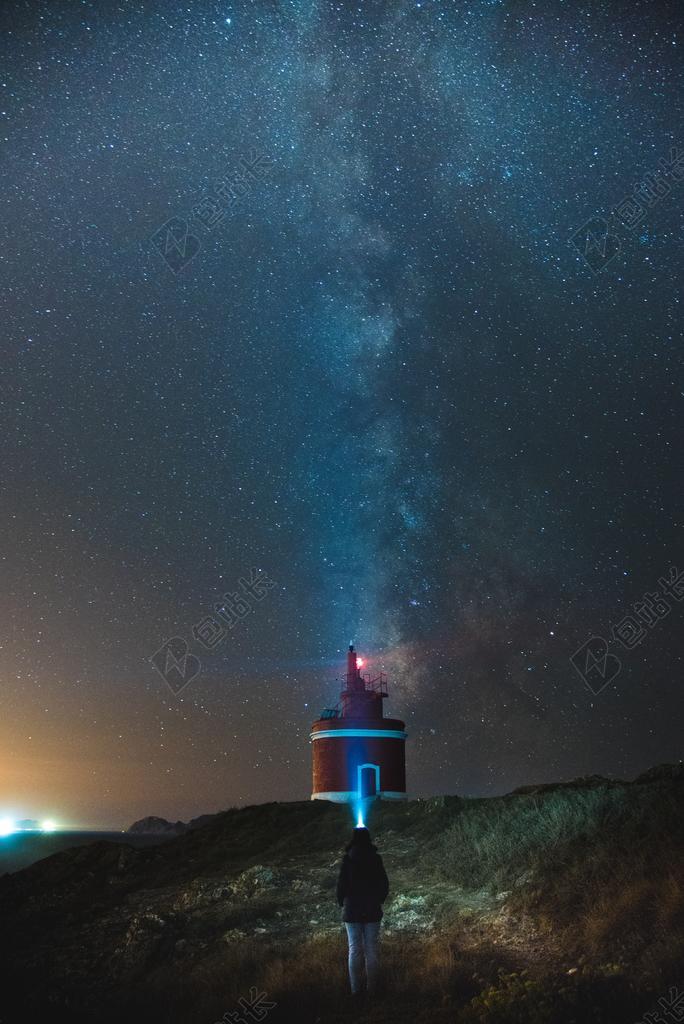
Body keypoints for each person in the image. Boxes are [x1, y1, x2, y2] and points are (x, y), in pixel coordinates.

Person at [336, 826, 389, 997]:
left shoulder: (348, 860)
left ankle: (355, 991)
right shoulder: (376, 859)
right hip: (372, 909)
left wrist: (341, 902)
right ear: (368, 838)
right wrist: (379, 899)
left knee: (354, 950)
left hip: (352, 910)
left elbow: (341, 885)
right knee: (371, 949)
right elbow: (384, 883)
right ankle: (372, 990)